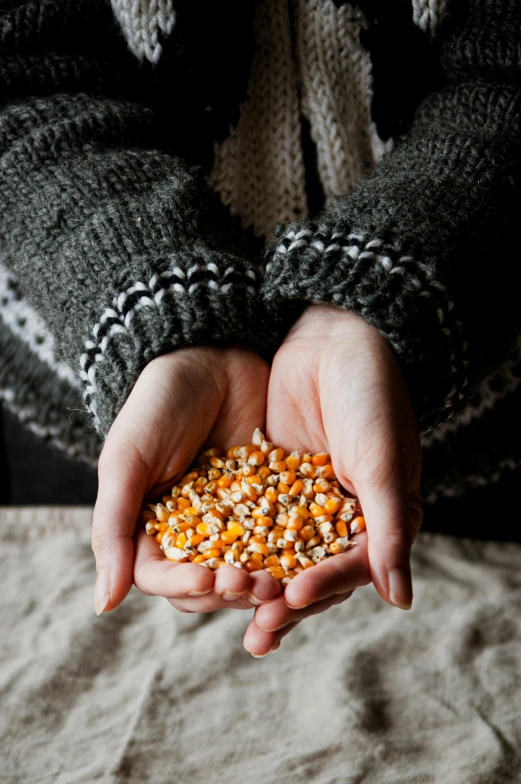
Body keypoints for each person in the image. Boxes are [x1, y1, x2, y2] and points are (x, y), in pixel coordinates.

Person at [1, 0, 521, 657]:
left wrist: (386, 290)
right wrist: (160, 310)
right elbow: (20, 76)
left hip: (476, 333)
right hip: (93, 345)